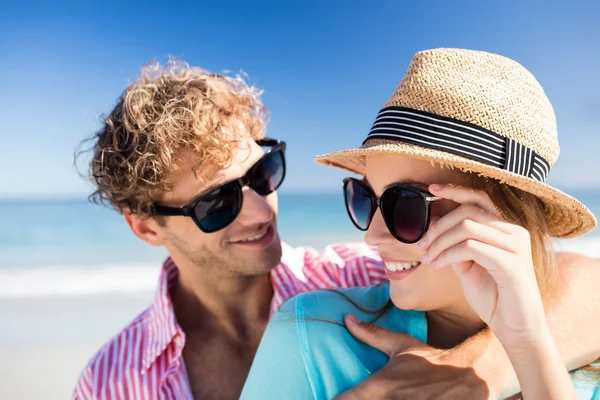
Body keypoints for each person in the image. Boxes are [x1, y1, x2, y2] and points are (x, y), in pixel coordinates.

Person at [72, 58, 600, 400]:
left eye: (262, 172)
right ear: (145, 229)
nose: (261, 210)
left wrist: (476, 366)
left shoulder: (358, 278)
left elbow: (566, 281)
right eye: (218, 201)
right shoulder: (108, 384)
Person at [240, 48, 600, 399]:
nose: (372, 236)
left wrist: (527, 346)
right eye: (364, 199)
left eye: (406, 207)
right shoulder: (313, 336)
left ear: (502, 218)